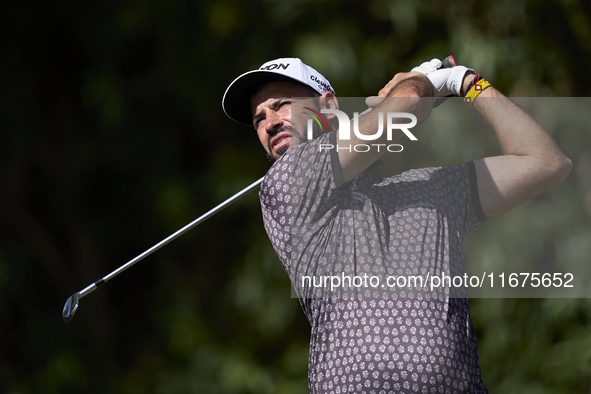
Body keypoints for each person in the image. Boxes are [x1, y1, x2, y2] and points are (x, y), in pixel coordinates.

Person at [222, 58, 572, 393]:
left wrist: (467, 82)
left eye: (281, 104)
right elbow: (409, 102)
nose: (268, 123)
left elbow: (546, 162)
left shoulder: (430, 190)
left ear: (328, 108)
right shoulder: (286, 181)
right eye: (258, 119)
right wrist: (424, 82)